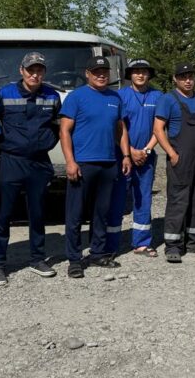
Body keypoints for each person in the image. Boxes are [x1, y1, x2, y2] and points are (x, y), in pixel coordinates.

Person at [0, 52, 62, 287]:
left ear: (44, 72)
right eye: (31, 70)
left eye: (39, 70)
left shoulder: (52, 96)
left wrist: (46, 144)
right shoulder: (3, 94)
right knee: (3, 214)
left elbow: (58, 127)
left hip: (39, 163)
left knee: (38, 213)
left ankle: (37, 259)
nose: (35, 74)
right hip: (11, 161)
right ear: (21, 71)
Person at [60, 55, 132, 278]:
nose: (101, 76)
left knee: (101, 212)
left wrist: (126, 155)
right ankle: (74, 259)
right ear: (87, 74)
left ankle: (98, 253)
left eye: (104, 72)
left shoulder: (115, 97)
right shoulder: (76, 97)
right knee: (75, 214)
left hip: (108, 163)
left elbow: (120, 129)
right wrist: (70, 161)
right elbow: (64, 131)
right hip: (83, 163)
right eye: (96, 72)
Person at [154, 62, 195, 263]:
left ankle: (194, 241)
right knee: (178, 199)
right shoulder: (168, 100)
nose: (188, 80)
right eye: (183, 77)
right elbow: (158, 129)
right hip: (180, 157)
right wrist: (171, 153)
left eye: (190, 77)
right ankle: (173, 245)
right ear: (175, 79)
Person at [106, 59, 162, 258]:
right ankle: (110, 245)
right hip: (123, 157)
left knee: (143, 199)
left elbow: (160, 128)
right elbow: (115, 127)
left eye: (144, 71)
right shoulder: (119, 96)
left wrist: (146, 150)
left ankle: (142, 243)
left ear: (149, 74)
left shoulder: (158, 96)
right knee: (117, 199)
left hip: (146, 157)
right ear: (129, 74)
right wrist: (129, 152)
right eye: (136, 71)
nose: (140, 75)